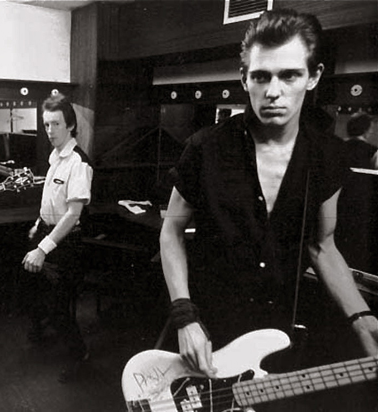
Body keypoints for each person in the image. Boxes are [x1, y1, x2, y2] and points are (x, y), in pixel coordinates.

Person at [159, 9, 378, 410]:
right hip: (204, 329)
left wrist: (361, 318)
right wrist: (184, 316)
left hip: (275, 336)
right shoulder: (205, 147)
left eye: (289, 75)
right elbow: (171, 231)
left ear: (313, 77)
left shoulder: (328, 157)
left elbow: (323, 245)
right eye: (261, 77)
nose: (273, 91)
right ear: (244, 78)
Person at [22, 94, 93, 383]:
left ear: (71, 125)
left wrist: (42, 248)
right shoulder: (55, 157)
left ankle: (80, 356)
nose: (49, 131)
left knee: (58, 307)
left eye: (56, 124)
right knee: (33, 290)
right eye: (46, 124)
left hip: (65, 243)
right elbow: (53, 200)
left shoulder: (78, 163)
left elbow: (73, 214)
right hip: (45, 231)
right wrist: (37, 225)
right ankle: (41, 332)